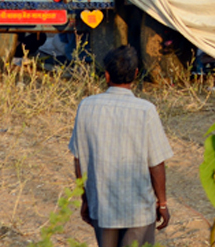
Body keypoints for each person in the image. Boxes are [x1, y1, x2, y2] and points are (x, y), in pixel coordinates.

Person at [71, 46, 172, 246]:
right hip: (139, 209)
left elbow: (79, 160)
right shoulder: (146, 110)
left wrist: (85, 199)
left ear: (107, 75)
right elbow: (156, 164)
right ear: (136, 74)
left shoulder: (87, 106)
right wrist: (162, 203)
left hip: (102, 205)